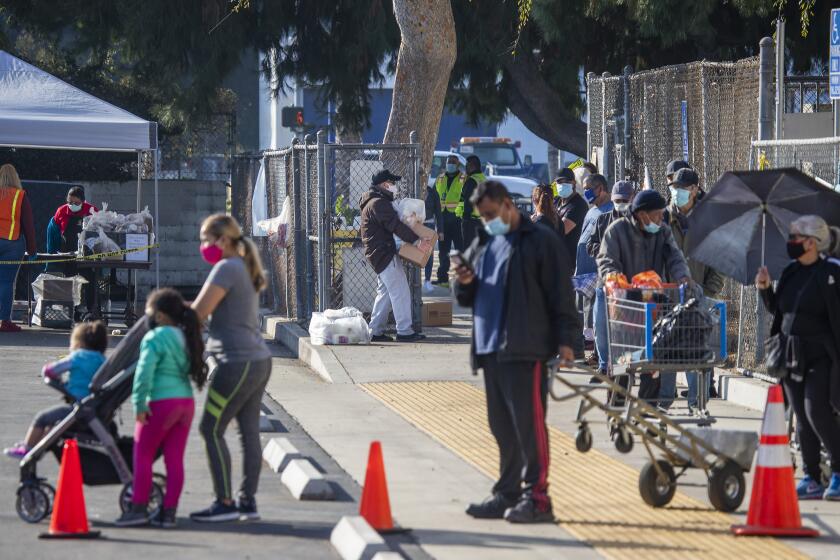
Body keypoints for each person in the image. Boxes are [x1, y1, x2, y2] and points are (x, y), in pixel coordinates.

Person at [455, 181, 577, 523]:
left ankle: (537, 497)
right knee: (502, 426)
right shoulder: (484, 240)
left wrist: (566, 339)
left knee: (529, 425)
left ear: (509, 205)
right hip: (491, 347)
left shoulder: (540, 240)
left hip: (525, 347)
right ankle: (507, 492)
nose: (488, 221)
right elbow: (467, 296)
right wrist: (463, 282)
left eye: (492, 214)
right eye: (483, 216)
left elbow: (560, 293)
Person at [190, 214, 272, 522]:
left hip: (236, 362)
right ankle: (246, 501)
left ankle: (224, 502)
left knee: (210, 428)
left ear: (223, 240)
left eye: (206, 239)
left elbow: (198, 312)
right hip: (258, 360)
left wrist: (164, 312)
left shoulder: (226, 268)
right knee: (248, 433)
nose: (203, 246)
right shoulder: (241, 266)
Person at [755, 215, 840, 501]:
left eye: (796, 237)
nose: (791, 242)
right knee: (801, 416)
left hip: (822, 355)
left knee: (816, 409)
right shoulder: (791, 272)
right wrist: (765, 289)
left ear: (812, 242)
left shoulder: (832, 272)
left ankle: (838, 472)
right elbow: (779, 311)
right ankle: (812, 477)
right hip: (791, 354)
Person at [116, 289, 207, 527]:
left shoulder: (154, 338)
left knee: (143, 456)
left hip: (160, 402)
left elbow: (143, 373)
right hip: (185, 403)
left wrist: (139, 403)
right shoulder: (186, 336)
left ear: (158, 315)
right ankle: (169, 513)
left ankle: (138, 509)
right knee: (174, 460)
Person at [597, 189, 691, 405]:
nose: (661, 218)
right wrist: (613, 275)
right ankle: (617, 414)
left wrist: (683, 277)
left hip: (652, 310)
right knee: (622, 366)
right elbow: (606, 259)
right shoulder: (617, 231)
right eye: (657, 214)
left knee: (652, 364)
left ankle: (647, 413)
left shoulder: (663, 232)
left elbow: (675, 258)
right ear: (642, 214)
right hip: (623, 310)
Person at [658, 168, 724, 413]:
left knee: (696, 353)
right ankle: (663, 404)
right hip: (666, 296)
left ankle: (697, 405)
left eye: (684, 188)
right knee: (665, 351)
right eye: (675, 188)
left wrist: (709, 291)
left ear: (695, 189)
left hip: (698, 296)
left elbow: (718, 261)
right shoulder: (662, 218)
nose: (678, 192)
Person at [4, 321, 107, 458]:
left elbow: (50, 370)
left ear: (80, 343)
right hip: (94, 407)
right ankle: (36, 450)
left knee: (42, 418)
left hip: (79, 408)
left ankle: (27, 448)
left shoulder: (78, 356)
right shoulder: (102, 360)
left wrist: (56, 377)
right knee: (52, 427)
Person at [359, 170, 430, 343]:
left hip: (380, 253)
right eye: (392, 183)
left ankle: (375, 331)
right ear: (384, 185)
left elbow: (393, 225)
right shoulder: (378, 204)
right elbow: (395, 226)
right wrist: (417, 241)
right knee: (400, 291)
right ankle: (404, 331)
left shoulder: (374, 202)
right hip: (384, 253)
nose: (394, 187)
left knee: (385, 293)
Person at [587, 180, 635, 376]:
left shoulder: (638, 222)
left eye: (625, 200)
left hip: (629, 284)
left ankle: (625, 365)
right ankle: (604, 364)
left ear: (632, 199)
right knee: (601, 325)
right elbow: (591, 245)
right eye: (618, 200)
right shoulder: (603, 220)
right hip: (604, 282)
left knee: (628, 327)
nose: (621, 203)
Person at [576, 174, 613, 360]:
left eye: (589, 188)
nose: (586, 192)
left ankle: (601, 356)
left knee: (600, 319)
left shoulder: (610, 211)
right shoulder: (591, 211)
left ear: (601, 188)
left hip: (600, 274)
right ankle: (594, 353)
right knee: (588, 318)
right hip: (585, 273)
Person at [0, 164, 36, 332]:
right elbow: (28, 225)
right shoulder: (20, 196)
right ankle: (5, 321)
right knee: (6, 282)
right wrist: (32, 250)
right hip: (12, 243)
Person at [434, 155, 465, 284]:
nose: (450, 164)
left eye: (453, 162)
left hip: (458, 220)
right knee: (443, 250)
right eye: (448, 162)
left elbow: (466, 198)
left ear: (458, 165)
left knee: (460, 250)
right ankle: (442, 277)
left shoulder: (463, 179)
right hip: (443, 219)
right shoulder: (440, 178)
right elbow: (436, 197)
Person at [459, 155, 487, 247]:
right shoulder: (484, 179)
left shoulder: (471, 181)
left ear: (471, 166)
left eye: (466, 165)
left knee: (468, 251)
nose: (465, 168)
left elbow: (468, 202)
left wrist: (465, 219)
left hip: (471, 222)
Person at [423, 176, 444, 294]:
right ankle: (413, 281)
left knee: (429, 254)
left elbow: (438, 213)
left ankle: (427, 280)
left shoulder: (432, 193)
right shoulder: (412, 192)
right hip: (416, 227)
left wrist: (440, 231)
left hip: (429, 227)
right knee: (415, 253)